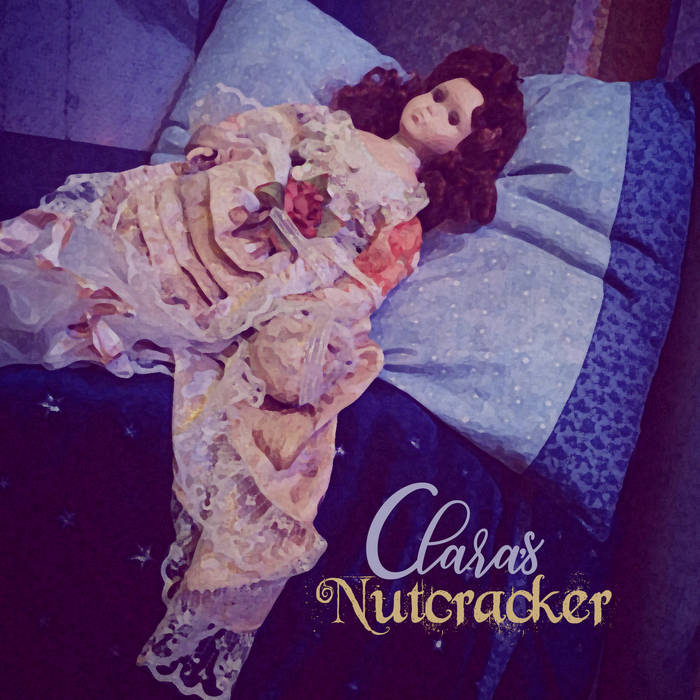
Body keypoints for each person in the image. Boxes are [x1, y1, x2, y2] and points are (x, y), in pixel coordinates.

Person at [0, 46, 525, 699]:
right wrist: (226, 147)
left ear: (464, 151)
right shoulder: (338, 129)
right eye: (440, 94)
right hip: (243, 208)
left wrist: (319, 310)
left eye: (452, 118)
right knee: (177, 220)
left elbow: (366, 282)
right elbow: (273, 125)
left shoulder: (405, 210)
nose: (432, 111)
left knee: (246, 320)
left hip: (287, 266)